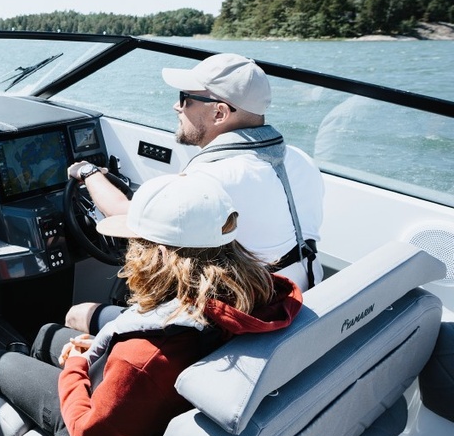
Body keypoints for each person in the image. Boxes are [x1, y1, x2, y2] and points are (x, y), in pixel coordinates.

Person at [0, 173, 302, 436]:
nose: (129, 251)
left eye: (134, 242)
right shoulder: (255, 296)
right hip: (158, 405)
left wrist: (76, 367)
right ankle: (28, 412)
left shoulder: (144, 357)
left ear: (158, 255)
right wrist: (92, 360)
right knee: (46, 336)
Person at [66, 52, 323, 332]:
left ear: (219, 113)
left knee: (77, 314)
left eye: (185, 98)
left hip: (237, 322)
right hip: (294, 300)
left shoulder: (209, 180)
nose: (176, 106)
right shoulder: (299, 159)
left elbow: (124, 215)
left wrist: (87, 172)